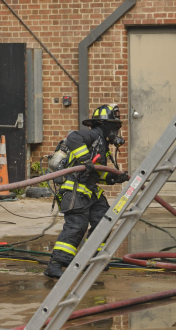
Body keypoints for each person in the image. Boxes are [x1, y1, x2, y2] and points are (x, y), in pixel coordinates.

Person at [44, 104, 129, 279]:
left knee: (104, 220)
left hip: (90, 192)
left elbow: (97, 175)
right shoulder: (93, 135)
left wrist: (114, 178)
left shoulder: (101, 145)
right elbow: (73, 137)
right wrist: (84, 159)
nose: (116, 131)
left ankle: (92, 258)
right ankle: (55, 264)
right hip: (75, 190)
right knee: (77, 226)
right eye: (113, 127)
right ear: (104, 125)